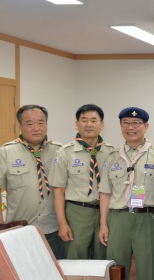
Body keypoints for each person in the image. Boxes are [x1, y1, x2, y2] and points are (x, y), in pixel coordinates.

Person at [99, 107, 154, 280]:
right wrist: (103, 224)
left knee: (148, 271)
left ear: (146, 126)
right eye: (126, 123)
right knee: (116, 271)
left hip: (148, 219)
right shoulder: (112, 157)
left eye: (136, 123)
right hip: (118, 219)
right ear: (120, 126)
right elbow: (105, 193)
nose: (131, 127)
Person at [0, 105, 64, 258]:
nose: (36, 128)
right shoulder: (6, 152)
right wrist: (0, 227)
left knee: (56, 271)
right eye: (30, 124)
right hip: (20, 229)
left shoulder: (60, 151)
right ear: (20, 126)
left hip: (54, 228)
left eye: (41, 123)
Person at [49, 104, 115, 260]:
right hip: (77, 213)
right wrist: (62, 224)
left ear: (102, 124)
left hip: (107, 213)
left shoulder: (112, 152)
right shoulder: (65, 153)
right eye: (84, 120)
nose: (89, 124)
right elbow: (58, 191)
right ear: (76, 124)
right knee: (75, 257)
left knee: (104, 259)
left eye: (94, 120)